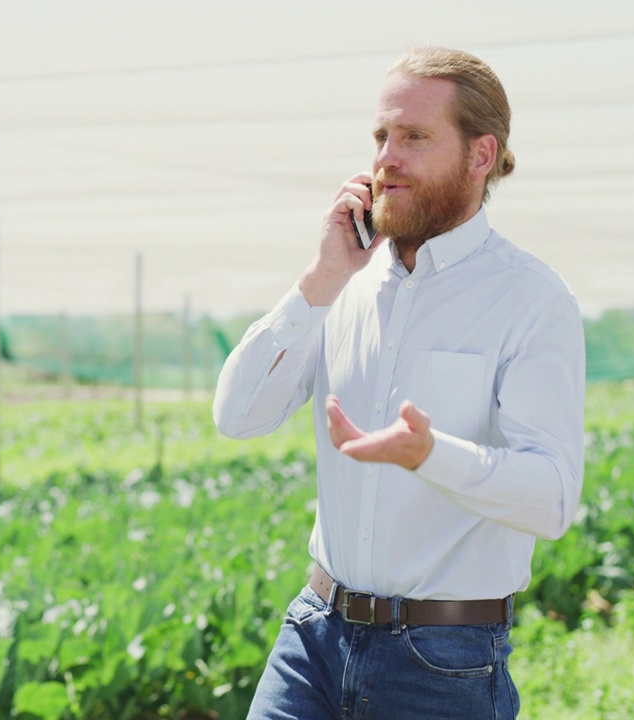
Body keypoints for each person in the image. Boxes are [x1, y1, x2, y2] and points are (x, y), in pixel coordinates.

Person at [213, 45, 585, 719]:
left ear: (480, 155)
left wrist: (430, 455)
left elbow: (551, 500)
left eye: (415, 137)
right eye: (382, 136)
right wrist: (320, 280)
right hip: (312, 637)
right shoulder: (343, 285)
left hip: (442, 661)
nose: (387, 157)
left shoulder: (530, 299)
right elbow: (236, 414)